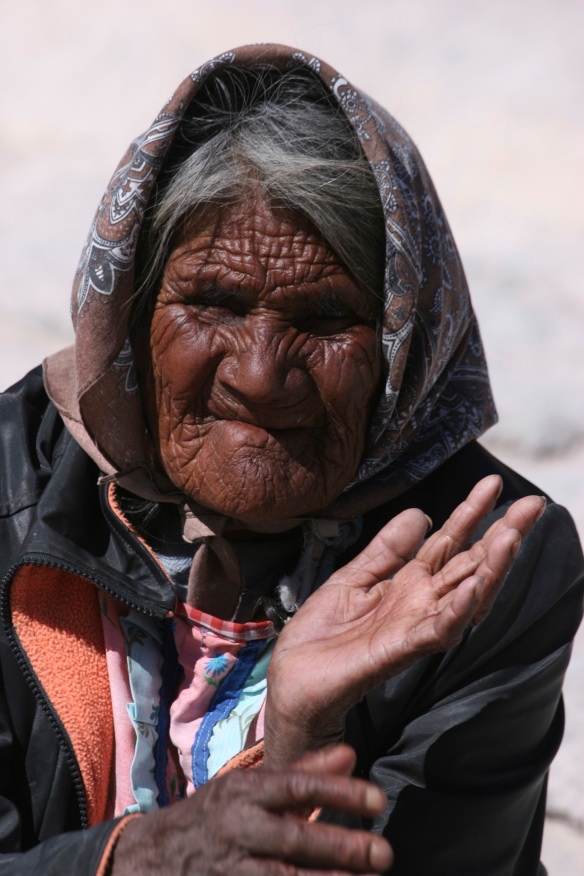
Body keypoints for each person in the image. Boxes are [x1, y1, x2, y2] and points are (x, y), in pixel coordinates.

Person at [0, 43, 582, 875]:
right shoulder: (10, 494)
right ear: (129, 317)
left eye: (323, 317)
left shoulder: (486, 564)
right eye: (214, 303)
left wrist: (304, 740)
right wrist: (129, 860)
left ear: (400, 343)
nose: (261, 375)